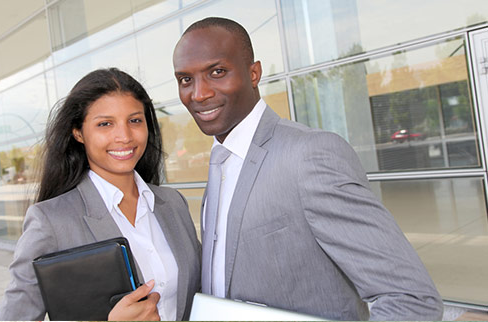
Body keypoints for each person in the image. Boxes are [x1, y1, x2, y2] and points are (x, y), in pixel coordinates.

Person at [172, 17, 443, 321]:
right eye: (185, 80)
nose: (199, 93)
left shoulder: (310, 155)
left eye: (217, 72)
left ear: (253, 73)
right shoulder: (219, 165)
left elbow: (411, 299)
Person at [0, 68, 200, 321]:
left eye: (135, 120)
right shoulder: (50, 220)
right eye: (105, 124)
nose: (124, 136)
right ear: (78, 132)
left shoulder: (173, 203)